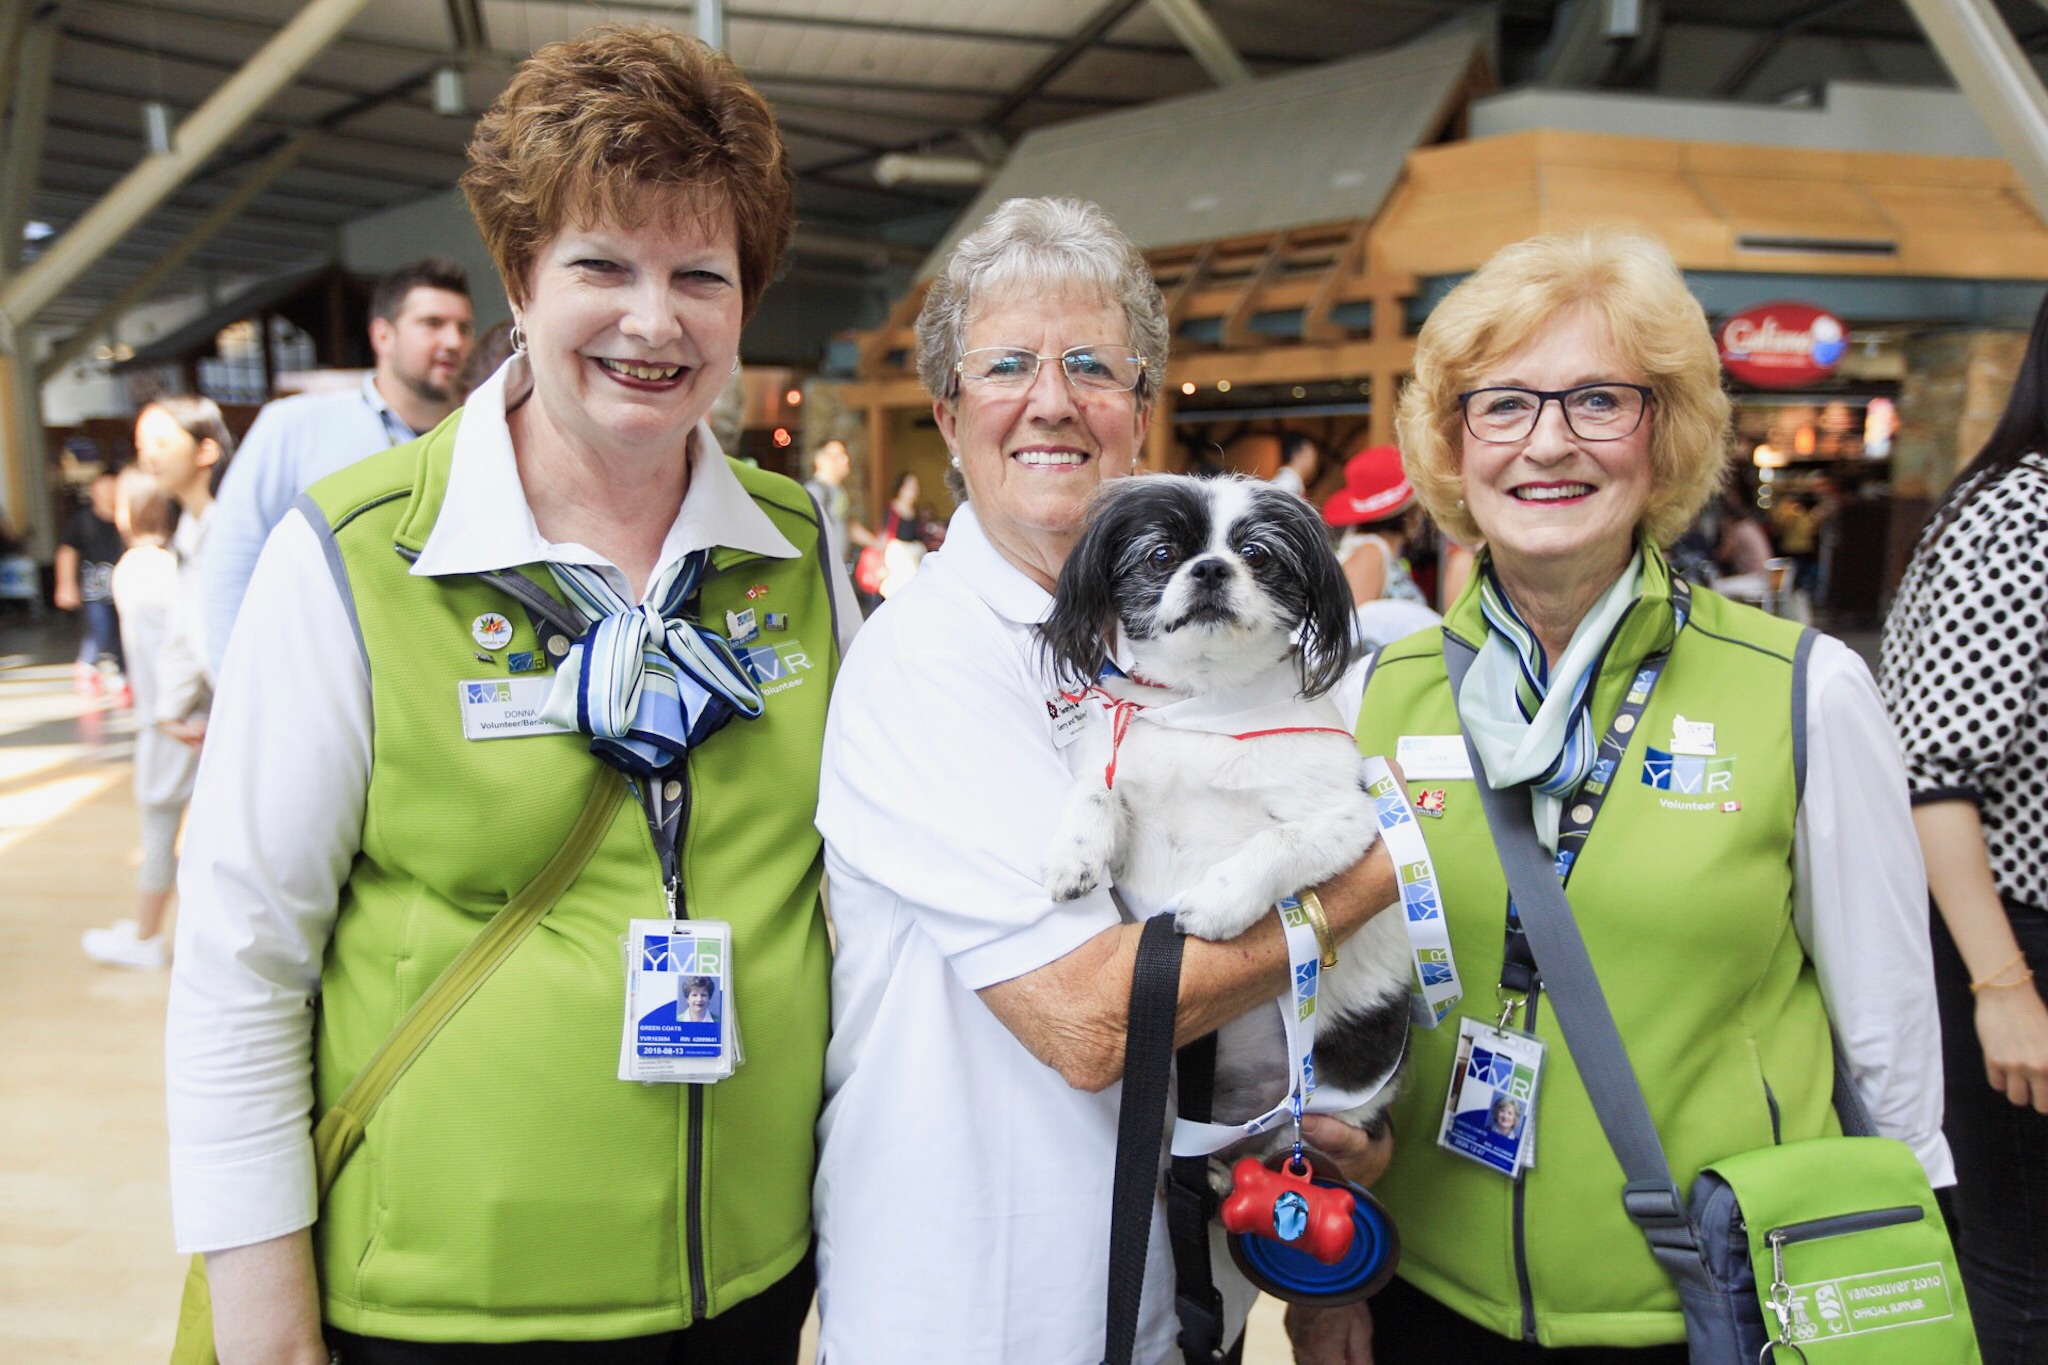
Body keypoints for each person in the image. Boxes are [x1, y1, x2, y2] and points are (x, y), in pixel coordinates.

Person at [166, 28, 855, 1363]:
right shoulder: (360, 552)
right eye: (603, 265)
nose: (654, 321)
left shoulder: (795, 544)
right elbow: (241, 957)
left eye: (699, 276)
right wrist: (261, 1316)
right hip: (438, 1304)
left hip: (750, 1284)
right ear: (521, 279)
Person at [813, 196, 1402, 1365]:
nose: (1051, 399)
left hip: (1174, 1295)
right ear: (946, 412)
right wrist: (1380, 869)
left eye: (1091, 365)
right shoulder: (933, 656)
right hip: (984, 1309)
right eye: (1005, 367)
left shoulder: (1190, 659)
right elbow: (1089, 1018)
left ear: (1139, 414)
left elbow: (1279, 1016)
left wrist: (1328, 1182)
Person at [1347, 229, 1949, 1361]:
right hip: (1423, 1301)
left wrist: (1890, 1271)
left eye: (1596, 402)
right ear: (1451, 441)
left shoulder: (1799, 693)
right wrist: (1334, 1286)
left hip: (1708, 1306)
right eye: (1503, 405)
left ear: (1662, 435)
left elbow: (1888, 1042)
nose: (1547, 444)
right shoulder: (1382, 694)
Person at [1880, 288, 2048, 1365]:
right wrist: (2001, 989)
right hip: (2009, 937)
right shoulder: (2023, 512)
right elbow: (1931, 770)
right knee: (2017, 1265)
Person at [203, 257, 475, 672]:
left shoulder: (479, 438)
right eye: (432, 323)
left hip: (447, 676)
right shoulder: (297, 425)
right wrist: (236, 689)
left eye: (464, 327)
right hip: (319, 677)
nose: (453, 341)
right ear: (382, 336)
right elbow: (232, 559)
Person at [82, 465, 192, 970]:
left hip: (171, 724)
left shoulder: (137, 567)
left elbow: (178, 649)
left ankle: (147, 938)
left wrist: (170, 713)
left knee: (158, 829)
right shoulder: (178, 562)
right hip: (186, 719)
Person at [55, 468, 126, 699]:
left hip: (122, 590)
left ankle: (122, 675)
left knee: (121, 633)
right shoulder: (83, 520)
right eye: (102, 488)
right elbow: (67, 552)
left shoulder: (126, 518)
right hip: (95, 591)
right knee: (100, 629)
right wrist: (65, 585)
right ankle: (86, 665)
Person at [802, 436, 872, 568]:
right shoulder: (815, 491)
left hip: (838, 568)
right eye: (838, 456)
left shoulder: (838, 491)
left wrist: (878, 544)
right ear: (820, 460)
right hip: (823, 569)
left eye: (845, 455)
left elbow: (846, 525)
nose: (845, 460)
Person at [877, 469, 926, 598]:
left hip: (912, 564)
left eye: (915, 486)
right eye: (909, 486)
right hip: (897, 565)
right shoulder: (892, 509)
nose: (913, 490)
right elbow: (884, 538)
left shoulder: (915, 511)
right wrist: (882, 565)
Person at [1270, 431, 1321, 498]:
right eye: (1311, 454)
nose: (1315, 460)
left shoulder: (1291, 483)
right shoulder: (1286, 483)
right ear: (1297, 456)